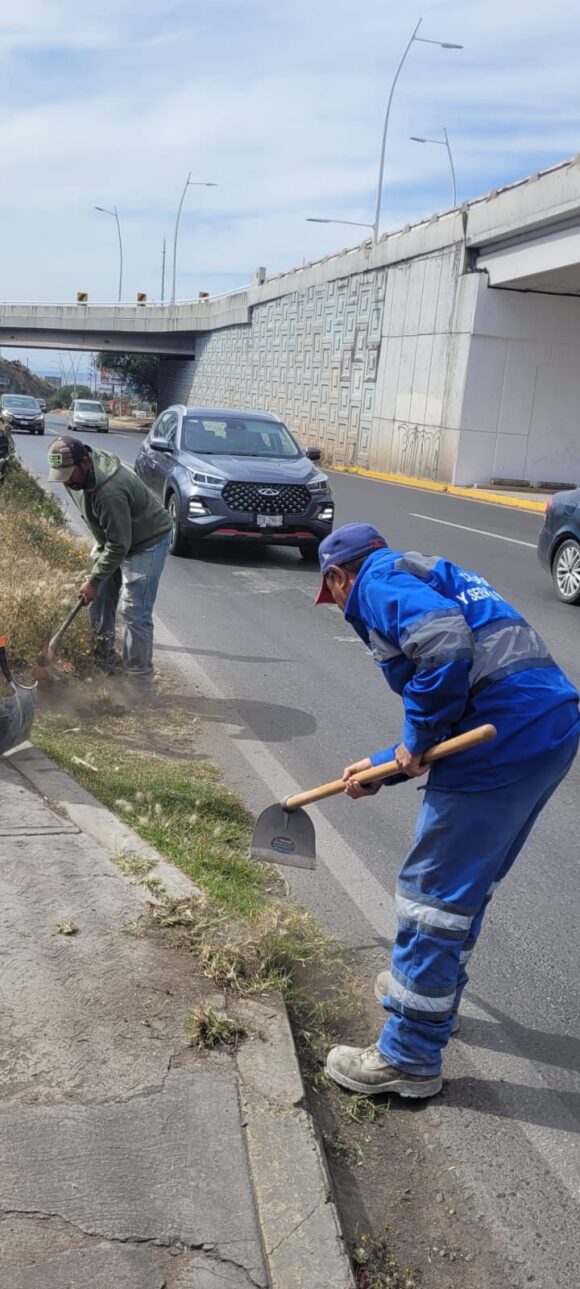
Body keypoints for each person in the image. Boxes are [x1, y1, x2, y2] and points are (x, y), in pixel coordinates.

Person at [315, 523, 579, 1099]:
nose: (337, 606)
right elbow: (461, 691)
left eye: (330, 594)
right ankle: (430, 994)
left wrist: (416, 737)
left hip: (502, 740)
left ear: (338, 576)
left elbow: (444, 649)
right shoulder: (427, 572)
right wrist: (386, 764)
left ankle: (409, 1054)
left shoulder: (377, 582)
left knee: (432, 895)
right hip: (545, 726)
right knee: (464, 884)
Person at [47, 435, 171, 686]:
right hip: (114, 539)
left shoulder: (109, 490)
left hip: (145, 542)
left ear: (85, 463)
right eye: (62, 476)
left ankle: (138, 685)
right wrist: (97, 581)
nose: (67, 482)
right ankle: (105, 665)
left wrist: (93, 580)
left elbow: (120, 544)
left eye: (69, 475)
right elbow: (106, 532)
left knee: (135, 612)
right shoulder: (76, 478)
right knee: (99, 601)